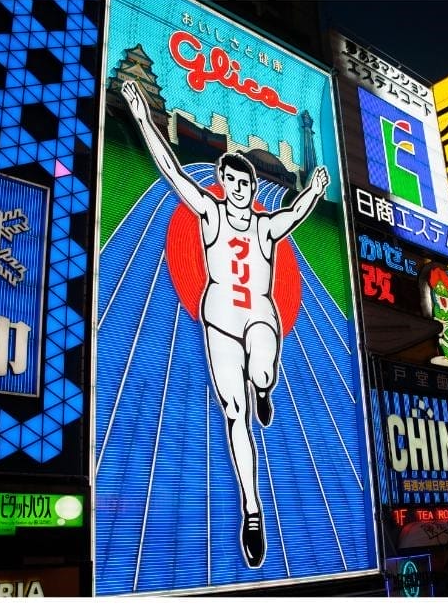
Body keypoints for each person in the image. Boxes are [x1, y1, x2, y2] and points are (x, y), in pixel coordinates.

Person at [121, 79, 329, 568]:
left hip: (258, 314)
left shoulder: (264, 226)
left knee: (263, 370)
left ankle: (265, 387)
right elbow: (171, 171)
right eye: (232, 182)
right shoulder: (210, 213)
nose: (239, 189)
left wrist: (316, 190)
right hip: (219, 319)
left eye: (246, 184)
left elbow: (295, 212)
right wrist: (141, 115)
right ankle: (252, 510)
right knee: (235, 416)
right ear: (222, 181)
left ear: (253, 189)